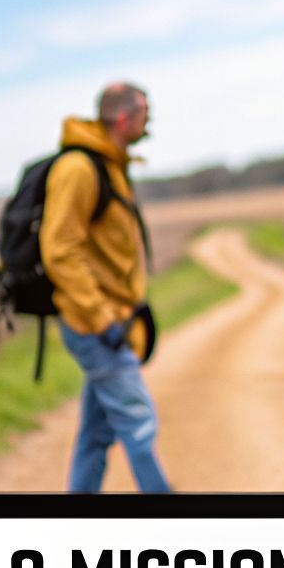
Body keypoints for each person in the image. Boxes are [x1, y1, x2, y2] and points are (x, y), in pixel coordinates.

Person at [41, 81, 171, 494]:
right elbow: (60, 250)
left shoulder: (110, 164)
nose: (148, 121)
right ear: (122, 117)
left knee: (97, 435)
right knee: (139, 422)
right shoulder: (79, 169)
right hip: (98, 327)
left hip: (114, 323)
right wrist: (100, 319)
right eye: (144, 113)